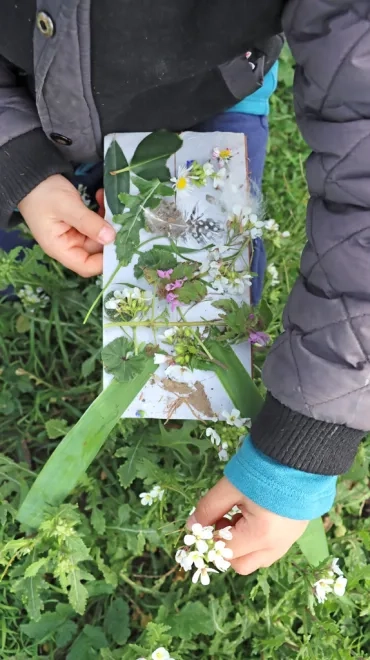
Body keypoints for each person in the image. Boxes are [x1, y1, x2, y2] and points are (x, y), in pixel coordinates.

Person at [1, 1, 368, 576]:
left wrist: (303, 444)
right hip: (26, 96)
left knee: (210, 307)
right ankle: (24, 277)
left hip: (212, 97)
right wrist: (16, 157)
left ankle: (188, 400)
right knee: (38, 247)